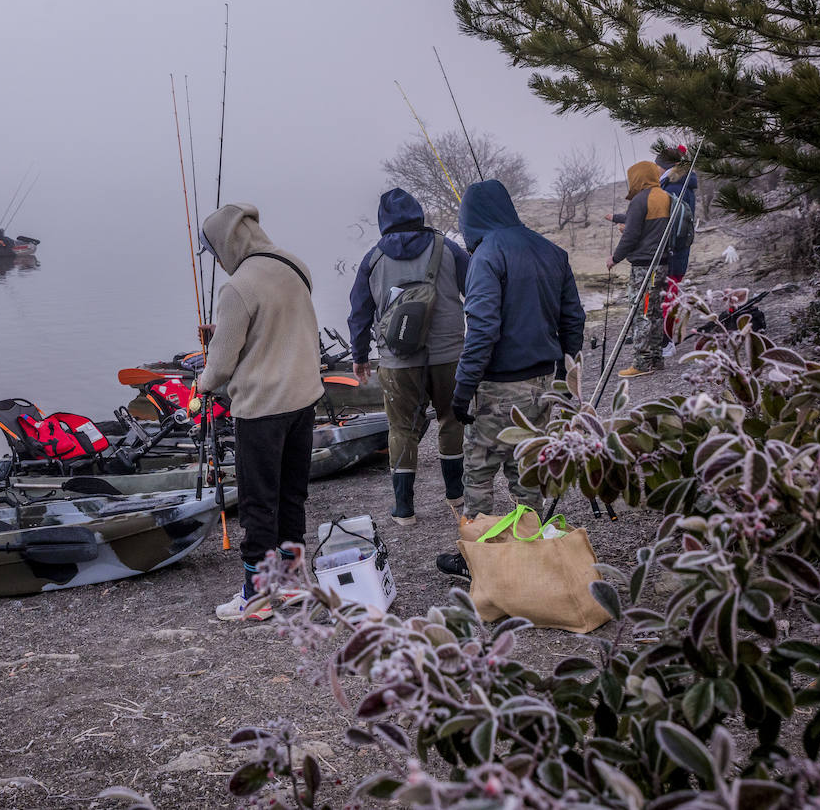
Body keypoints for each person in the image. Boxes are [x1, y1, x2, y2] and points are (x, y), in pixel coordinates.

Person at [438, 180, 584, 579]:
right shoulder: (552, 251)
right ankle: (530, 550)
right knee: (527, 467)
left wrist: (463, 389)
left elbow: (482, 330)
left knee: (480, 469)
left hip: (499, 387)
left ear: (471, 219)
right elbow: (574, 319)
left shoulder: (487, 256)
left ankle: (479, 562)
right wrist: (566, 373)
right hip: (544, 382)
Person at [195, 203, 323, 621]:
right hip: (303, 399)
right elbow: (280, 324)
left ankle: (257, 596)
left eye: (214, 250)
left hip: (262, 411)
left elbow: (220, 367)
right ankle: (291, 583)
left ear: (228, 242)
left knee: (257, 502)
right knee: (291, 495)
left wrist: (201, 384)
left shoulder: (238, 288)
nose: (217, 259)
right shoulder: (294, 264)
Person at [346, 187, 471, 527]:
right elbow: (476, 290)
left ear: (383, 221)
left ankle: (404, 510)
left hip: (398, 361)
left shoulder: (373, 259)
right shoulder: (448, 249)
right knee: (451, 418)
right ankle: (456, 494)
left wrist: (360, 355)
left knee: (401, 428)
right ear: (419, 213)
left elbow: (359, 313)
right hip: (450, 356)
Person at [605, 161, 673, 376]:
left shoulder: (640, 199)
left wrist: (614, 258)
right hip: (661, 264)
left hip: (645, 269)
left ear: (639, 177)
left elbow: (632, 235)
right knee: (653, 312)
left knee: (642, 312)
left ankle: (642, 363)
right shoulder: (664, 196)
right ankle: (656, 358)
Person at [657, 147, 700, 335]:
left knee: (666, 297)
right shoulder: (680, 184)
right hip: (678, 252)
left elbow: (666, 222)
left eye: (658, 165)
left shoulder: (673, 186)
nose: (655, 169)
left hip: (671, 252)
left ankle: (665, 339)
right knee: (669, 294)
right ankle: (665, 337)